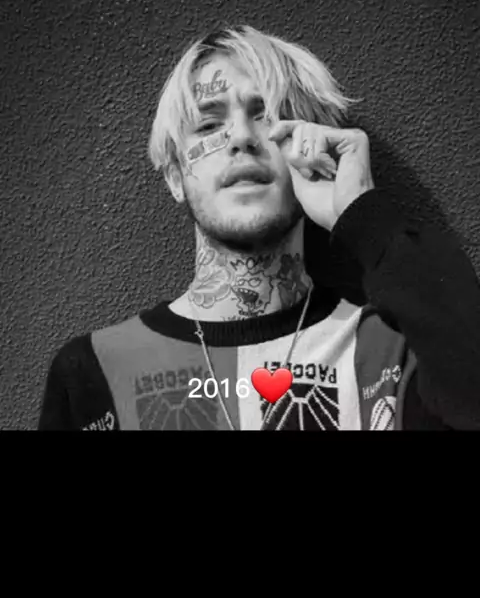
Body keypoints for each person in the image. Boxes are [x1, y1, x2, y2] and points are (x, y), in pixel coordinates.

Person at [38, 25, 480, 430]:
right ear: (174, 175)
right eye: (209, 124)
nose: (241, 137)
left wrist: (364, 214)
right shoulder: (95, 373)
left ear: (313, 143)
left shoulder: (392, 353)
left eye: (266, 115)